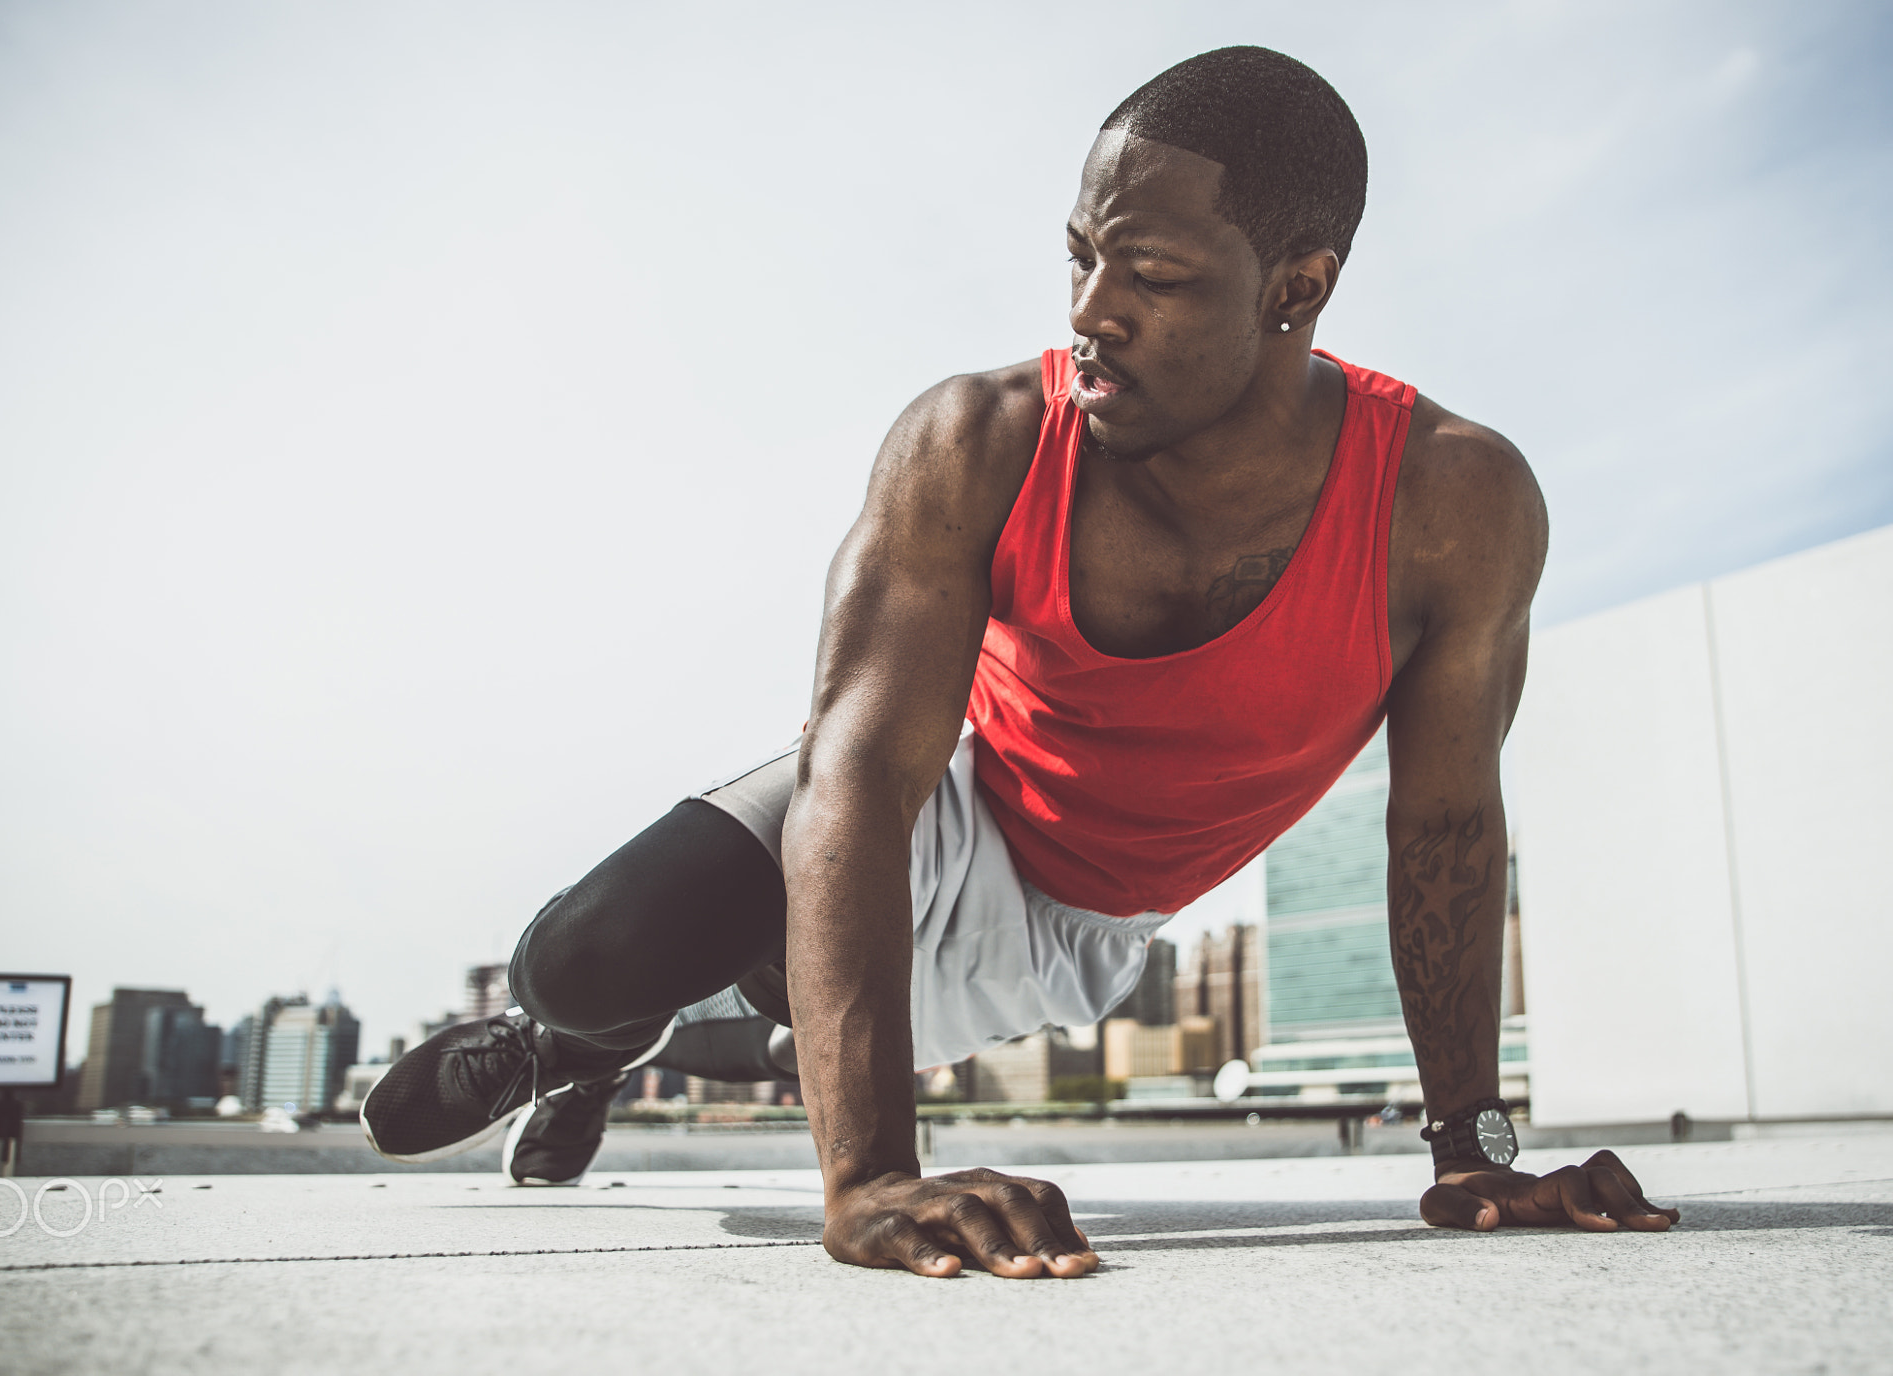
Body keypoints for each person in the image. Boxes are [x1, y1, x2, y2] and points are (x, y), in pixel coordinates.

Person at [361, 45, 1680, 1276]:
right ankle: (567, 1044)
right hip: (952, 795)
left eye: (1153, 278)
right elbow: (856, 781)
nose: (1095, 312)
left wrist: (1473, 1152)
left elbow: (1445, 825)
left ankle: (629, 1049)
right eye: (1080, 258)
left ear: (1298, 286)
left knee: (784, 1022)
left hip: (1084, 926)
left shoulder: (1451, 503)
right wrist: (870, 1178)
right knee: (590, 955)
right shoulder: (979, 439)